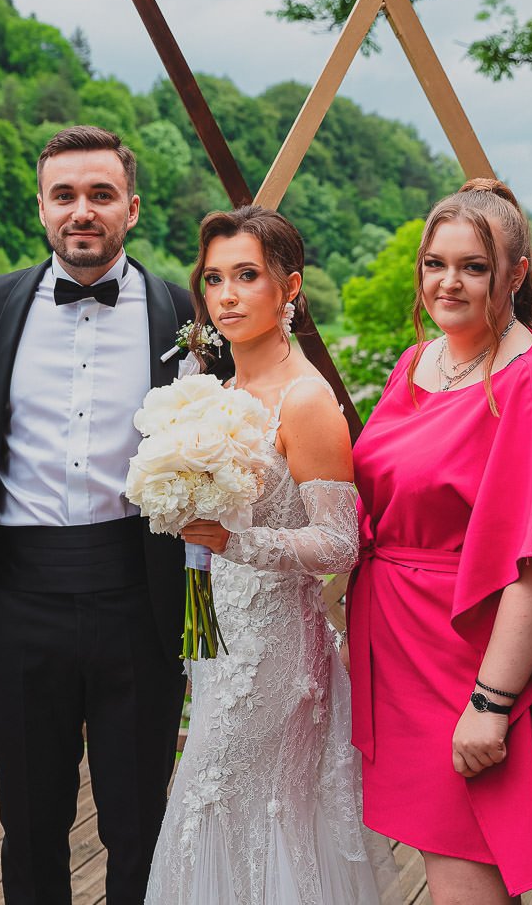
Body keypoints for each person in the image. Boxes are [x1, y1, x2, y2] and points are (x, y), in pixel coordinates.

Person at [0, 126, 214, 905]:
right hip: (16, 596)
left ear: (132, 207)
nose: (81, 211)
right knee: (29, 819)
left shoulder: (185, 313)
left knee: (139, 819)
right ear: (41, 207)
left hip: (142, 594)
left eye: (100, 194)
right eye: (64, 195)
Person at [349, 179, 532, 903]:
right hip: (398, 650)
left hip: (472, 655)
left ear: (516, 275)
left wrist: (491, 702)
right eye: (435, 263)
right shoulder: (414, 363)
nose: (448, 283)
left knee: (467, 872)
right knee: (439, 861)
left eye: (473, 267)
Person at [144, 206, 389, 904]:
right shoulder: (219, 395)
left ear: (291, 288)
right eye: (213, 278)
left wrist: (237, 542)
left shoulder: (306, 400)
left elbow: (340, 542)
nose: (225, 295)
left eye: (247, 276)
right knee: (216, 802)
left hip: (279, 647)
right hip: (218, 640)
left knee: (229, 799)